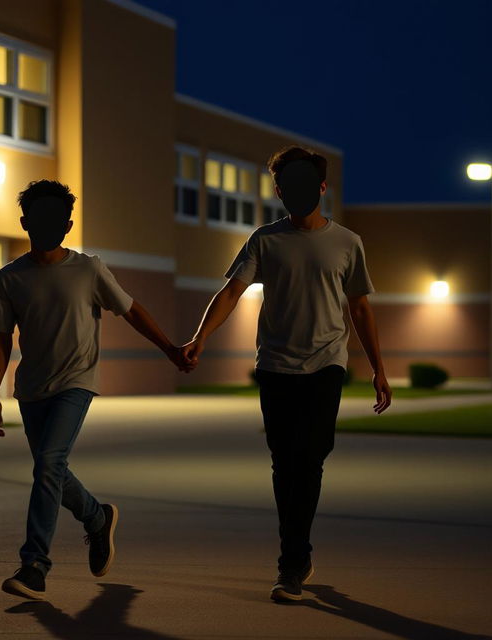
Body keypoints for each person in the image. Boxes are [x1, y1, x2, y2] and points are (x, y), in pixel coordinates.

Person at [181, 145, 392, 603]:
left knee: (310, 459)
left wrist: (379, 368)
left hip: (325, 364)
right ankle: (294, 557)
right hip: (276, 366)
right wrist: (200, 337)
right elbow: (232, 291)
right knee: (285, 463)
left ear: (321, 188)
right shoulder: (265, 239)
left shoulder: (347, 242)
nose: (294, 192)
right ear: (279, 191)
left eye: (304, 184)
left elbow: (359, 307)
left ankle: (292, 562)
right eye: (285, 185)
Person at [0, 180, 193, 601]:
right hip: (31, 390)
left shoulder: (89, 269)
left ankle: (34, 565)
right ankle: (97, 519)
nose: (46, 225)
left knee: (48, 465)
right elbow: (1, 337)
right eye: (38, 218)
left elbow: (131, 310)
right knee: (51, 469)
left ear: (68, 224)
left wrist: (170, 348)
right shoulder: (11, 277)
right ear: (24, 223)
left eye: (55, 219)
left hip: (76, 383)